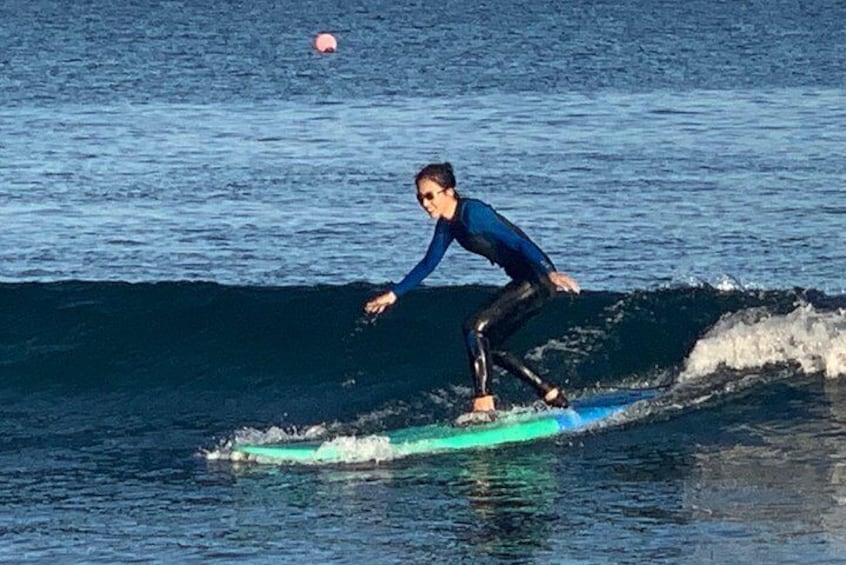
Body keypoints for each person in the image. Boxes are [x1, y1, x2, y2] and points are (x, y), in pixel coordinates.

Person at [364, 163, 580, 413]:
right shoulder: (448, 225)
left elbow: (519, 242)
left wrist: (549, 271)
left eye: (429, 195)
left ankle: (484, 402)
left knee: (473, 329)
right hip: (525, 279)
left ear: (449, 192)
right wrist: (393, 294)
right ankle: (551, 394)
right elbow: (428, 264)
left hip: (537, 278)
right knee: (491, 346)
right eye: (419, 197)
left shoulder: (474, 213)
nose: (424, 203)